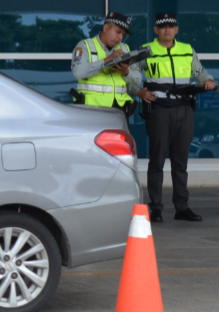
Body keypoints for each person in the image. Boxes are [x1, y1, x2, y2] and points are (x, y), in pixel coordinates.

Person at [128, 12, 216, 223]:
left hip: (184, 109)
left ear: (176, 29)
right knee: (157, 160)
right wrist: (138, 92)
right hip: (159, 109)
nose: (167, 29)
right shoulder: (146, 50)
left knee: (181, 161)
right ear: (156, 30)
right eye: (162, 26)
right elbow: (128, 76)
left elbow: (201, 72)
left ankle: (182, 207)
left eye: (171, 26)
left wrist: (209, 80)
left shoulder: (187, 50)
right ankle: (156, 208)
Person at [71, 12, 135, 114]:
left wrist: (126, 72)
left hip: (119, 109)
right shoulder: (84, 46)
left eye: (123, 34)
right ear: (105, 28)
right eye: (118, 32)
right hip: (91, 109)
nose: (120, 37)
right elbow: (77, 72)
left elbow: (137, 79)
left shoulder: (124, 48)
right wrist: (106, 60)